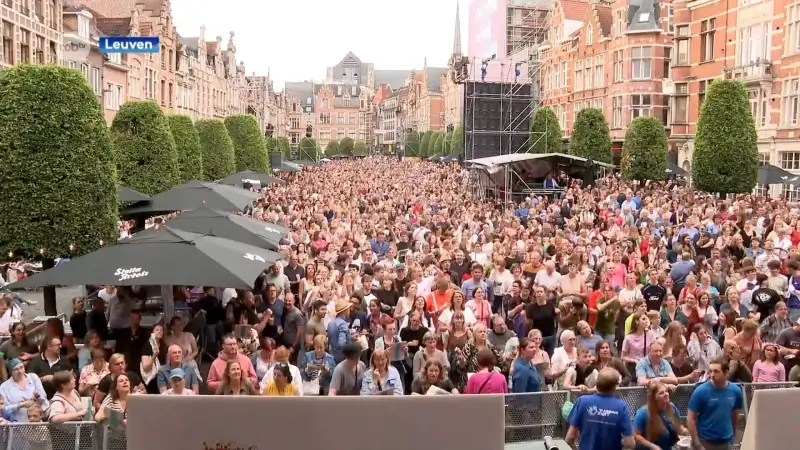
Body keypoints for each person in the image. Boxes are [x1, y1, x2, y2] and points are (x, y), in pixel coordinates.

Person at [566, 367, 635, 450]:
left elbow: (569, 439)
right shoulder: (621, 406)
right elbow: (630, 443)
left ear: (597, 383)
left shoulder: (583, 401)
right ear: (615, 386)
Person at [687, 357, 744, 450]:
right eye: (710, 371)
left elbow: (735, 415)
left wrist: (732, 435)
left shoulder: (735, 391)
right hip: (705, 441)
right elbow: (690, 418)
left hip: (726, 441)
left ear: (725, 372)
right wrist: (696, 443)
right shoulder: (700, 391)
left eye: (716, 371)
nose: (712, 375)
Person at [633, 381, 687, 450]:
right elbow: (636, 435)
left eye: (666, 391)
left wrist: (688, 432)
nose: (666, 394)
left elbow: (679, 427)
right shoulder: (643, 413)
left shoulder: (672, 408)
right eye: (661, 393)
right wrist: (652, 446)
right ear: (654, 397)